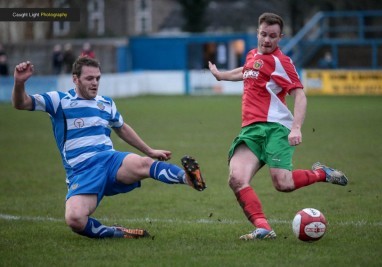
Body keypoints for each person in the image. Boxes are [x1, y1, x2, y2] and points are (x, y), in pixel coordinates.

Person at [12, 57, 206, 239]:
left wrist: (149, 151)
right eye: (89, 78)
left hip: (110, 160)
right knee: (75, 219)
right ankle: (117, 233)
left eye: (97, 78)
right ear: (75, 79)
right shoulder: (58, 101)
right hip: (82, 171)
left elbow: (121, 128)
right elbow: (21, 103)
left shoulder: (106, 103)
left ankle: (188, 178)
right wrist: (19, 83)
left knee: (145, 163)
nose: (95, 83)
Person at [208, 12, 348, 240]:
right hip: (251, 131)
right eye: (263, 34)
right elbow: (246, 71)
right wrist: (221, 75)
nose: (267, 40)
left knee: (283, 184)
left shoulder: (282, 62)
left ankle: (322, 173)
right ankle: (263, 228)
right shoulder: (253, 55)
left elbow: (300, 96)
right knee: (236, 179)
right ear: (257, 32)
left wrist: (296, 127)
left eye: (272, 36)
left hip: (276, 129)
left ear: (280, 37)